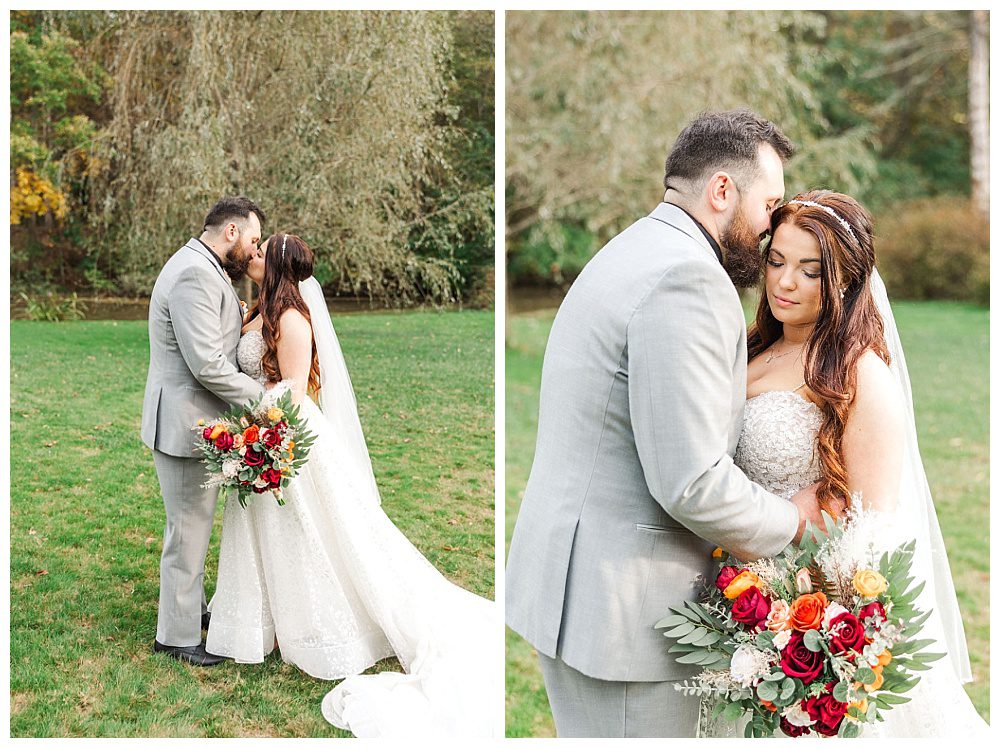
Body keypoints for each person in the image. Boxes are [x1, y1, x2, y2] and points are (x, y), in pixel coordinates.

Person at [504, 109, 828, 738]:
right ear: (722, 192)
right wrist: (796, 521)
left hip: (581, 589)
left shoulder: (632, 247)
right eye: (769, 204)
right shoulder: (689, 279)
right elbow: (690, 481)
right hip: (629, 617)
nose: (769, 228)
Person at [716, 189, 988, 738]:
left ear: (842, 280)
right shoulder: (745, 351)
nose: (784, 282)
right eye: (777, 261)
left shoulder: (860, 377)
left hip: (801, 614)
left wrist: (801, 624)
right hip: (732, 601)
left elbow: (870, 519)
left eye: (808, 270)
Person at [204, 234, 499, 737]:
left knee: (312, 535)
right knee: (271, 532)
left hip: (287, 433)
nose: (251, 256)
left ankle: (317, 628)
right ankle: (265, 623)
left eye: (259, 252)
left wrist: (254, 437)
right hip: (262, 430)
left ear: (276, 267)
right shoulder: (255, 310)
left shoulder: (293, 319)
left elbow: (294, 389)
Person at [142, 196, 267, 667]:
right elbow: (208, 366)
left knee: (192, 527)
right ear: (230, 232)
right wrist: (264, 403)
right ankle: (174, 638)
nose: (253, 250)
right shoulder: (195, 272)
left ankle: (190, 610)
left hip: (191, 419)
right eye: (252, 239)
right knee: (188, 531)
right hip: (185, 422)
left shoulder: (200, 265)